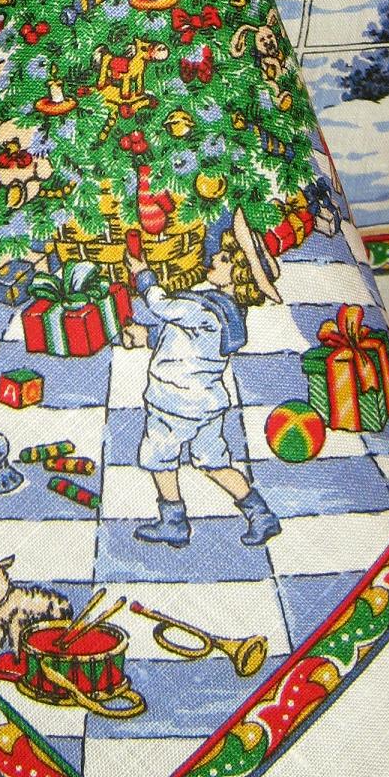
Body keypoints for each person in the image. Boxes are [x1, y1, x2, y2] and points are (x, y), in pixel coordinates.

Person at [129, 216, 282, 550]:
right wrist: (147, 337)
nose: (214, 258)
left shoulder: (204, 309)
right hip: (209, 404)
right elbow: (190, 342)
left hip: (175, 400)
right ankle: (260, 513)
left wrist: (144, 275)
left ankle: (174, 522)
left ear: (239, 275)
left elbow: (162, 306)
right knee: (214, 463)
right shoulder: (229, 313)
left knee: (160, 457)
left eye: (225, 259)